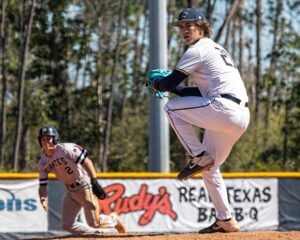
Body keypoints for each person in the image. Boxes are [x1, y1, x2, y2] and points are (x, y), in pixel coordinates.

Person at [147, 8, 250, 233]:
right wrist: (172, 86)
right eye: (182, 27)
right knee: (210, 169)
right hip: (238, 115)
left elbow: (171, 82)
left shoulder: (197, 49)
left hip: (224, 109)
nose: (184, 30)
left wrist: (158, 85)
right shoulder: (215, 47)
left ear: (202, 27)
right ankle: (226, 220)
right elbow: (192, 91)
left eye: (189, 25)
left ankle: (198, 155)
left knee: (171, 109)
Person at [37, 126, 126, 235]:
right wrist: (43, 197)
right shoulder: (42, 162)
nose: (46, 142)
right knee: (67, 224)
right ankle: (99, 233)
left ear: (55, 139)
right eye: (43, 139)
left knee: (94, 222)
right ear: (40, 142)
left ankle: (114, 219)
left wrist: (94, 181)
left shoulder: (65, 149)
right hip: (70, 190)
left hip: (84, 185)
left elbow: (87, 161)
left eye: (49, 138)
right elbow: (42, 184)